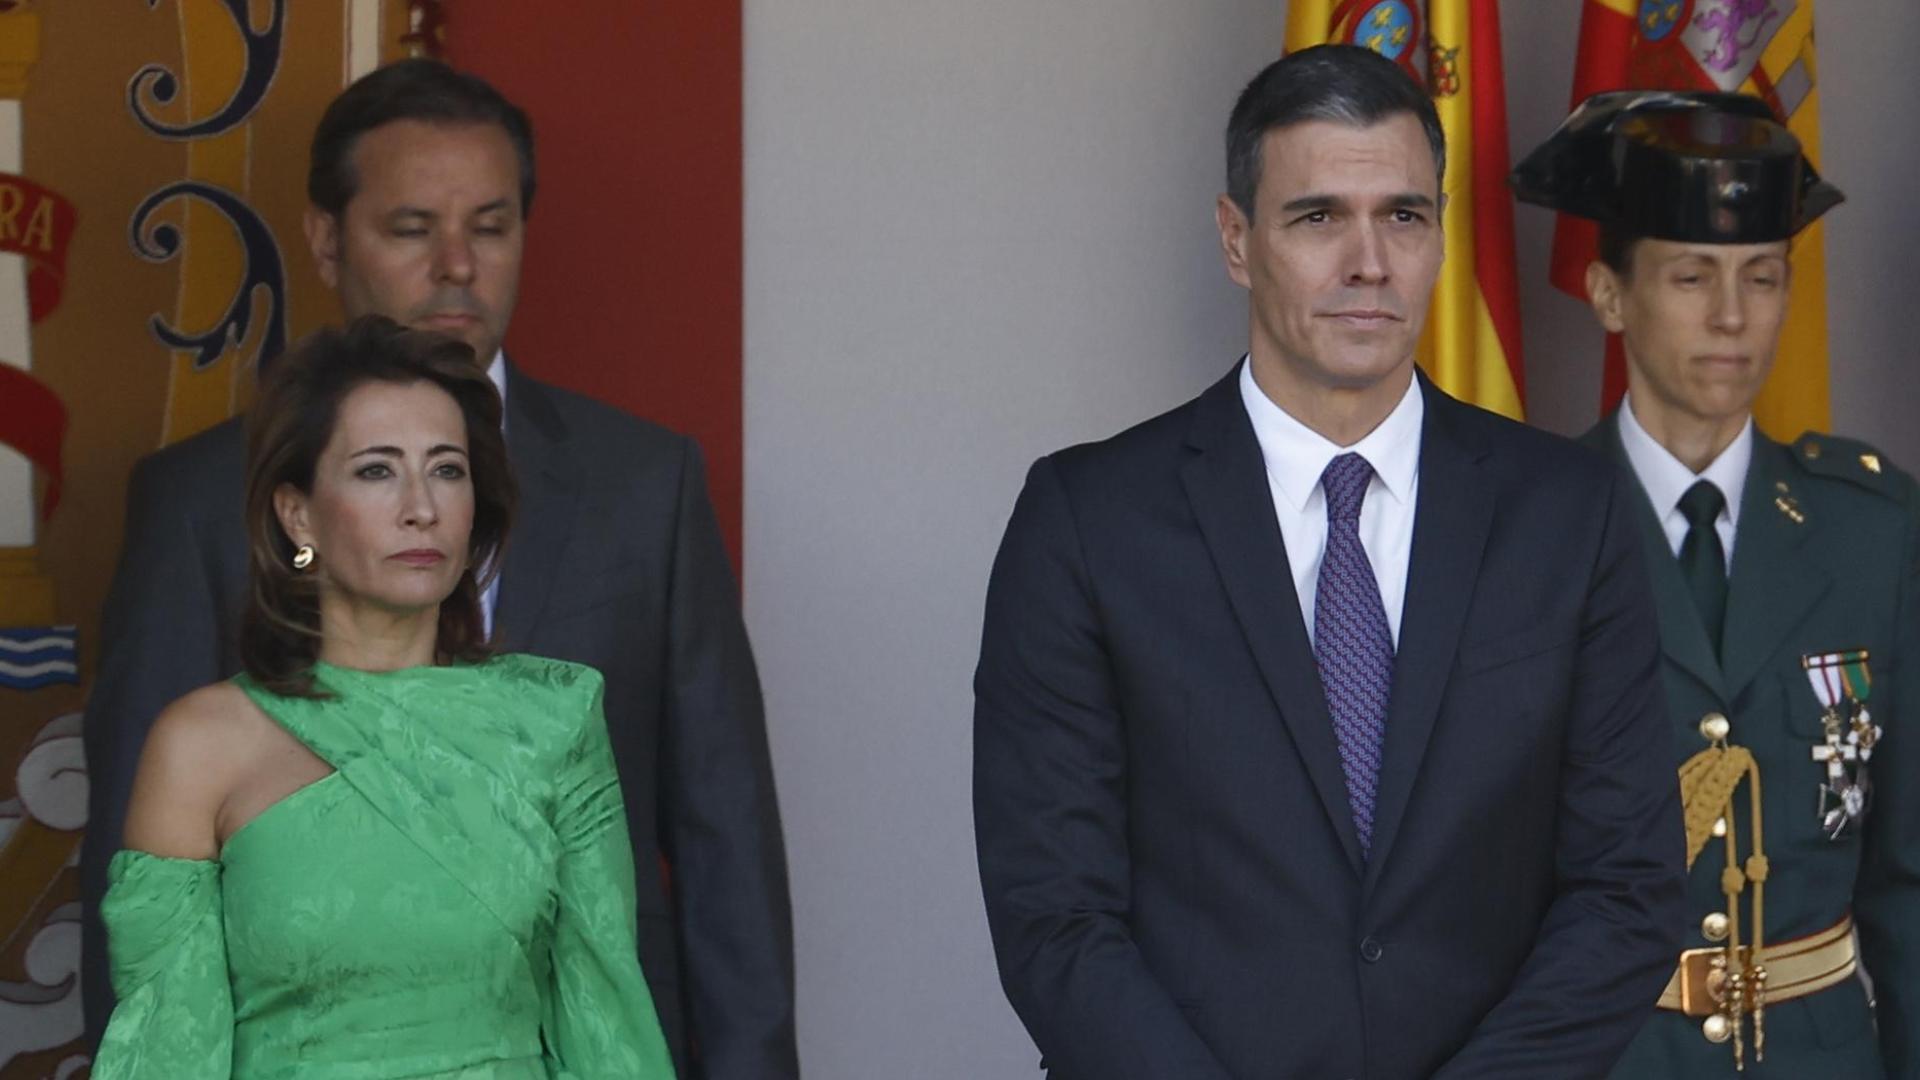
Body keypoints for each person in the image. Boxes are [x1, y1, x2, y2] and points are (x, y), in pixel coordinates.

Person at [973, 45, 1687, 1079]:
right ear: (1236, 239)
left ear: (1441, 236)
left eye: (1403, 215)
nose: (1370, 262)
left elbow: (1626, 889)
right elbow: (1054, 917)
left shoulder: (1567, 516)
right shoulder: (1085, 521)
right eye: (1318, 218)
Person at [80, 60, 796, 1079]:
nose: (456, 264)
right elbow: (141, 910)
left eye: (491, 227)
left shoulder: (646, 481)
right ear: (327, 238)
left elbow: (725, 834)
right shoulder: (195, 497)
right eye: (413, 228)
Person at [90, 314, 673, 1076]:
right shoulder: (202, 745)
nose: (420, 507)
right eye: (376, 470)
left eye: (447, 469)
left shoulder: (552, 720)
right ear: (297, 512)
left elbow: (606, 1029)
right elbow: (166, 1050)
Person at [1514, 90, 1920, 1078]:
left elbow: (1909, 881)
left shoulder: (1874, 532)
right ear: (1609, 294)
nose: (1734, 316)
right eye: (1693, 276)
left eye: (1763, 277)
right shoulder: (1521, 538)